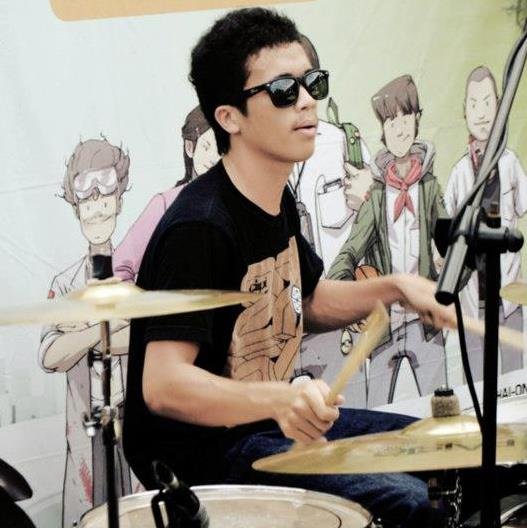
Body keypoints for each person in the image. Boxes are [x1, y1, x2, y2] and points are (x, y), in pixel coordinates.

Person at [123, 8, 455, 527]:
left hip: (265, 428)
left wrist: (396, 287)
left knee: (444, 453)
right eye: (283, 90)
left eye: (312, 83)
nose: (306, 101)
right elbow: (164, 386)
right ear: (229, 117)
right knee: (410, 501)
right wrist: (281, 398)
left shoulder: (275, 199)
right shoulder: (200, 227)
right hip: (206, 455)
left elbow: (309, 299)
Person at [327, 75, 448, 408]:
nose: (399, 128)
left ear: (417, 120)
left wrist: (446, 279)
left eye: (405, 117)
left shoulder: (431, 188)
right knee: (378, 414)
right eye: (391, 121)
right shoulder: (376, 196)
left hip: (426, 325)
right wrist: (349, 299)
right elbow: (348, 253)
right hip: (383, 329)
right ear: (382, 128)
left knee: (440, 412)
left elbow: (454, 246)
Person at [39, 138, 134, 527]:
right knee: (87, 516)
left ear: (119, 200)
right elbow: (50, 356)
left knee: (139, 513)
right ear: (76, 208)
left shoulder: (137, 272)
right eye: (87, 202)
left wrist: (84, 326)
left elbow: (145, 337)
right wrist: (108, 325)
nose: (97, 209)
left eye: (105, 197)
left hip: (134, 418)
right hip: (87, 424)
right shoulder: (64, 283)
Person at [444, 65, 527, 381]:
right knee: (477, 384)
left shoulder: (511, 163)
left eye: (488, 102)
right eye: (474, 103)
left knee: (515, 381)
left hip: (509, 300)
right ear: (464, 111)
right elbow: (447, 232)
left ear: (500, 106)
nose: (481, 113)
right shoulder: (458, 174)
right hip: (473, 303)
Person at [113, 106, 219, 282]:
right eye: (207, 147)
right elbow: (118, 268)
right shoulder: (165, 205)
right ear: (190, 147)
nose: (215, 159)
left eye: (222, 150)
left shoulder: (238, 205)